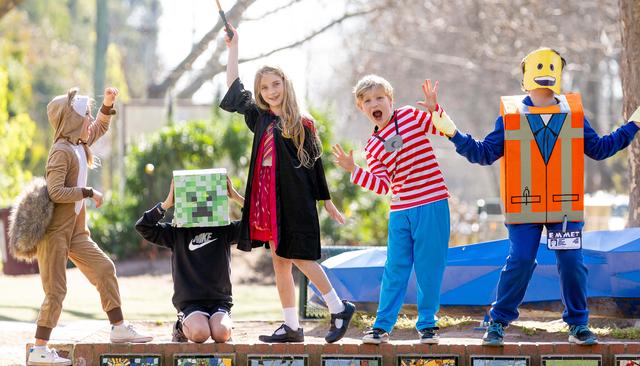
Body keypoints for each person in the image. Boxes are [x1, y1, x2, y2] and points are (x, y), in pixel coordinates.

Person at [429, 47, 640, 346]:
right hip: (525, 205)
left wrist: (632, 126)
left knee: (572, 261)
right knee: (520, 259)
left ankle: (578, 324)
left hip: (564, 206)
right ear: (525, 78)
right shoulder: (509, 118)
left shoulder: (573, 115)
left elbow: (599, 148)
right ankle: (498, 321)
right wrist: (449, 129)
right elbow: (483, 153)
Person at [219, 26, 355, 343]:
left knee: (299, 257)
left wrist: (327, 201)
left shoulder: (302, 123)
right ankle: (291, 326)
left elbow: (315, 167)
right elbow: (232, 86)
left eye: (276, 84)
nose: (271, 91)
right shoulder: (259, 117)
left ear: (285, 84)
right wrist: (233, 47)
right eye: (264, 87)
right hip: (268, 200)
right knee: (280, 263)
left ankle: (338, 307)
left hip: (294, 200)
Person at [27, 87, 152, 366]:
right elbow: (56, 191)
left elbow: (99, 128)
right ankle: (39, 349)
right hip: (55, 234)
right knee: (56, 291)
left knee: (105, 269)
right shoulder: (61, 151)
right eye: (84, 116)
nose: (88, 121)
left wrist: (107, 105)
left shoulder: (79, 144)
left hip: (75, 233)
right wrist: (87, 192)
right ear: (70, 121)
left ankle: (118, 328)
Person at [332, 75, 451, 344]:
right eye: (367, 101)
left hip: (432, 203)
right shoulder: (372, 147)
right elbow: (382, 185)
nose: (375, 103)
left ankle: (428, 325)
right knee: (394, 269)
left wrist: (435, 109)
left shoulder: (410, 116)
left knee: (429, 267)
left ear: (390, 100)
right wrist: (354, 170)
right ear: (362, 109)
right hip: (400, 211)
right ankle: (382, 327)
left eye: (379, 97)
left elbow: (443, 129)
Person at [135, 177, 244, 343]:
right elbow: (143, 226)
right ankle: (180, 327)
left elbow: (259, 221)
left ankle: (222, 324)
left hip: (219, 300)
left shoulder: (224, 228)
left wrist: (235, 196)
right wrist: (166, 203)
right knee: (200, 333)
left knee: (221, 333)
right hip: (190, 302)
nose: (201, 203)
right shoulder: (176, 231)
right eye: (194, 199)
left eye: (207, 198)